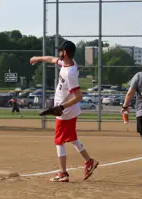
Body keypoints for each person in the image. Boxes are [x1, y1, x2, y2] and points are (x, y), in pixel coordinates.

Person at [30, 40, 99, 182]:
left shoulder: (70, 74)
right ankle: (89, 161)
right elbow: (51, 59)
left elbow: (79, 96)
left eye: (61, 51)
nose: (58, 53)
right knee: (72, 138)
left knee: (59, 140)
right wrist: (38, 58)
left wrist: (61, 108)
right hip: (68, 111)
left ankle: (63, 173)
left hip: (65, 112)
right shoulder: (66, 63)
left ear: (65, 53)